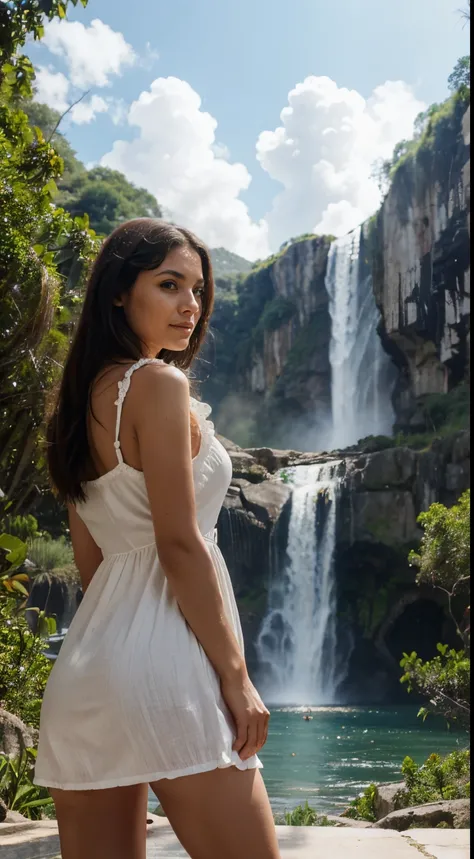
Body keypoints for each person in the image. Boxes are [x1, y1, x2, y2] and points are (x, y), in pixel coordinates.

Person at [34, 219, 280, 859]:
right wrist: (236, 677)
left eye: (197, 290)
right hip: (169, 669)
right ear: (119, 291)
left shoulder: (76, 408)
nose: (190, 307)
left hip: (90, 673)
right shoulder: (158, 385)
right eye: (169, 284)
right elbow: (179, 544)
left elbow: (94, 568)